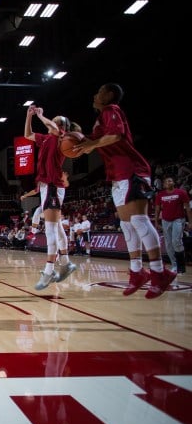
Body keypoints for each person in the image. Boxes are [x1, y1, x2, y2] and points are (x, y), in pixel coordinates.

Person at [72, 83, 175, 298]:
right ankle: (137, 271)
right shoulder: (101, 118)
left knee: (139, 220)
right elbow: (91, 140)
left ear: (109, 95)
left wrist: (91, 145)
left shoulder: (112, 111)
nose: (94, 94)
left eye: (99, 91)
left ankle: (159, 271)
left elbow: (116, 136)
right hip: (117, 175)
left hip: (131, 169)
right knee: (127, 225)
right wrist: (73, 139)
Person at [24, 105, 77, 290]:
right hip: (47, 186)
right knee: (57, 229)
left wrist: (41, 115)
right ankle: (67, 263)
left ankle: (49, 271)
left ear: (62, 127)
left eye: (56, 121)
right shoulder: (46, 138)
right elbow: (28, 135)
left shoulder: (61, 137)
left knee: (51, 230)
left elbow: (54, 127)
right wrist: (29, 116)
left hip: (53, 185)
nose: (53, 122)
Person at [154, 176, 192, 274]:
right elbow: (157, 209)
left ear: (173, 183)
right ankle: (174, 265)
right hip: (165, 220)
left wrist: (190, 222)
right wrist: (156, 222)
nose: (169, 182)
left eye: (170, 180)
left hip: (178, 219)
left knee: (176, 241)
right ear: (164, 185)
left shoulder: (181, 192)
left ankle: (181, 266)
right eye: (167, 181)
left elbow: (188, 208)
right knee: (168, 244)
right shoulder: (160, 195)